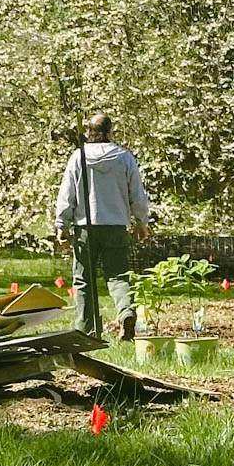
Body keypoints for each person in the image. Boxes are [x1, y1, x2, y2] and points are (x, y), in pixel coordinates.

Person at [56, 113, 152, 339]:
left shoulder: (78, 157)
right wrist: (141, 221)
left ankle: (87, 330)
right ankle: (126, 312)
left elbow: (67, 193)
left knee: (83, 280)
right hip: (116, 225)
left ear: (88, 132)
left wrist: (62, 224)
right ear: (110, 132)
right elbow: (137, 193)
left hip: (85, 227)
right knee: (118, 275)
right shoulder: (124, 158)